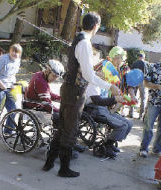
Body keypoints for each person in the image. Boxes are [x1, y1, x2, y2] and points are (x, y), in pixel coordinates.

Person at [42, 12, 121, 177]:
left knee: (63, 127)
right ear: (95, 26)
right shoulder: (84, 43)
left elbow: (85, 70)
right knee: (70, 130)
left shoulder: (79, 39)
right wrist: (110, 86)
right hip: (75, 91)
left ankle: (49, 162)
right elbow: (88, 76)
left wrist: (96, 72)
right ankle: (64, 168)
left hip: (70, 89)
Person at [84, 81, 132, 158]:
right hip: (95, 109)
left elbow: (106, 101)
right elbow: (99, 101)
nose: (103, 72)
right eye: (100, 70)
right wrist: (114, 99)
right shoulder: (93, 84)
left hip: (104, 108)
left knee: (129, 124)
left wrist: (118, 100)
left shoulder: (104, 84)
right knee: (122, 125)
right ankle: (106, 144)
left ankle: (111, 142)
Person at [0, 44, 22, 139]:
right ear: (10, 51)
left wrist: (13, 83)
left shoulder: (17, 61)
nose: (15, 53)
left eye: (17, 52)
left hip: (9, 87)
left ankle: (8, 130)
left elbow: (13, 74)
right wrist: (1, 85)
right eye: (13, 51)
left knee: (13, 109)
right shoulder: (2, 59)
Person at [130, 52, 149, 119]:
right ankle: (140, 115)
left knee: (133, 96)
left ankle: (131, 113)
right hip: (142, 82)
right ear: (143, 57)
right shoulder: (144, 63)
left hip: (134, 81)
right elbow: (146, 73)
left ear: (138, 57)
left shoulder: (135, 63)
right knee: (143, 98)